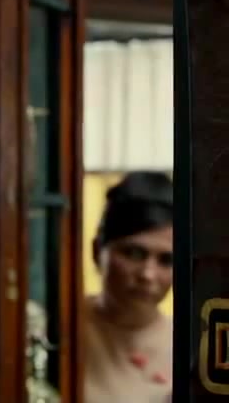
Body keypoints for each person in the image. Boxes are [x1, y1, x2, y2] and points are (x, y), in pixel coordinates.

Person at [82, 172, 174, 403]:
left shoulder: (190, 345)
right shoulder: (59, 328)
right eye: (134, 253)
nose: (147, 274)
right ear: (97, 251)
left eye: (166, 260)